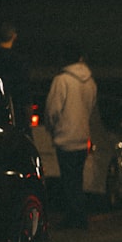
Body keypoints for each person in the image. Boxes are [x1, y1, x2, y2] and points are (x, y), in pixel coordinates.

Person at [45, 45, 98, 230]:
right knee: (77, 180)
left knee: (68, 181)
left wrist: (52, 129)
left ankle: (75, 217)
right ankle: (78, 215)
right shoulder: (90, 82)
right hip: (82, 137)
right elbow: (90, 108)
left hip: (65, 137)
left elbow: (53, 109)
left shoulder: (62, 80)